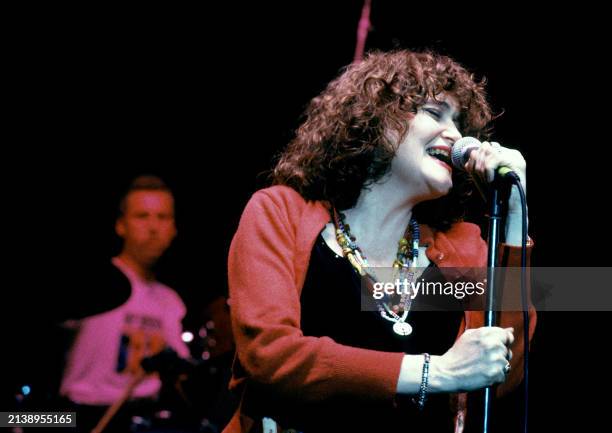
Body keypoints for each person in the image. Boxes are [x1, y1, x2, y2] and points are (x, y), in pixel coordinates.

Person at [224, 50, 537, 433]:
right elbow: (271, 357)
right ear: (373, 121)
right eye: (435, 113)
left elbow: (502, 375)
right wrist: (435, 372)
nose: (456, 135)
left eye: (458, 122)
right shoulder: (280, 212)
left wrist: (514, 220)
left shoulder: (463, 247)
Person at [59, 175, 190, 432]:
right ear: (121, 225)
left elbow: (182, 372)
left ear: (174, 229)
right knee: (16, 418)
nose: (153, 226)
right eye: (142, 216)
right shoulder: (89, 282)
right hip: (75, 417)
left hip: (143, 419)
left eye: (162, 217)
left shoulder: (171, 301)